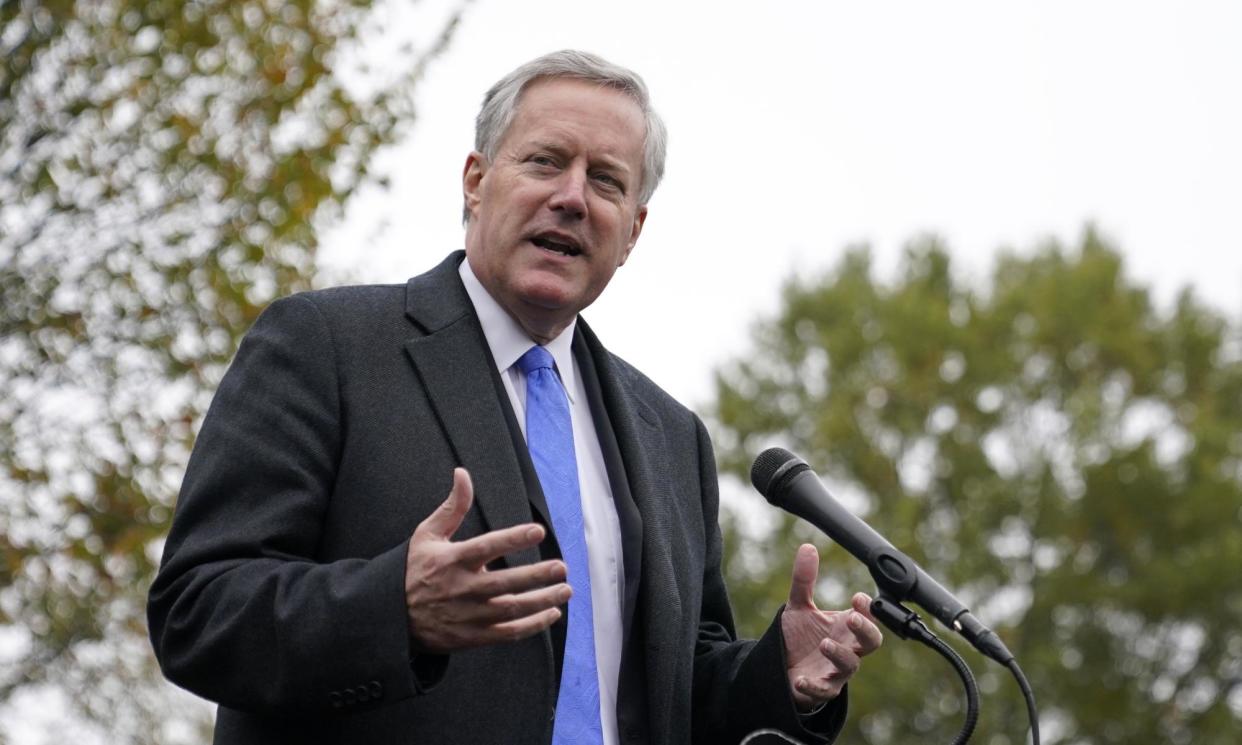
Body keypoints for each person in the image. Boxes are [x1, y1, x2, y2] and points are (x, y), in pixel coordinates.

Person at [147, 50, 882, 745]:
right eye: (545, 161)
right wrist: (393, 609)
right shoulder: (326, 347)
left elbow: (671, 688)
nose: (571, 197)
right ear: (475, 180)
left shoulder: (672, 436)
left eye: (606, 181)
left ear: (632, 231)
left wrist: (777, 680)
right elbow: (197, 610)